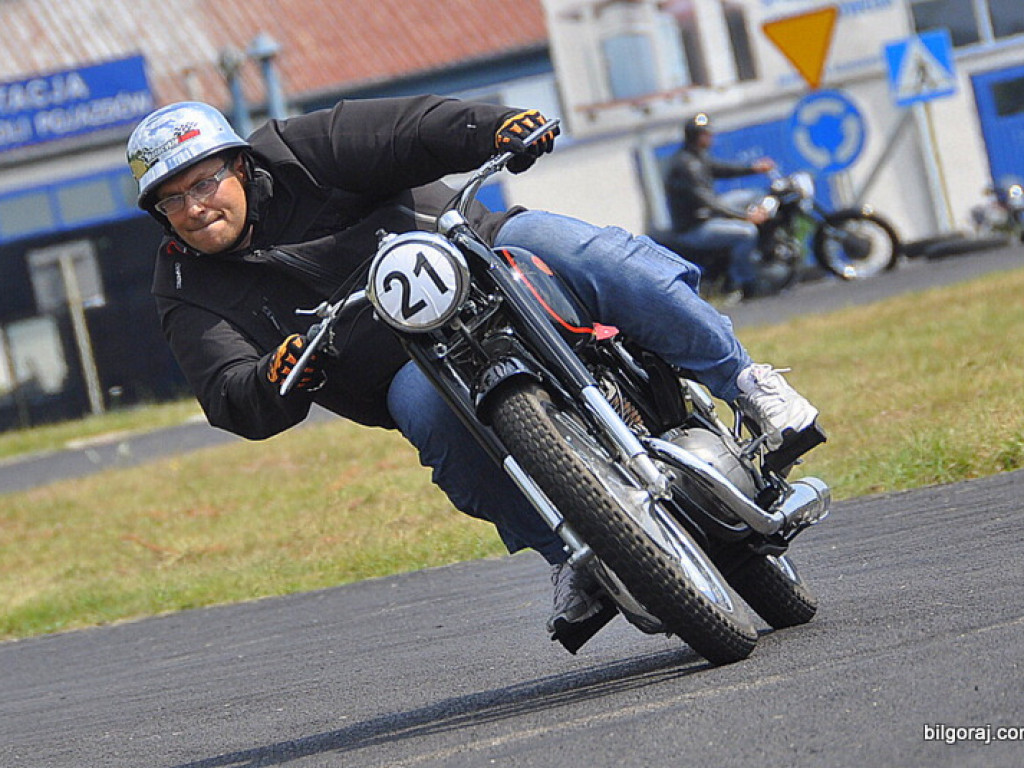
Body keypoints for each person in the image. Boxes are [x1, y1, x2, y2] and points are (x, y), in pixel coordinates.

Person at [126, 96, 822, 644]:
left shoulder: (300, 148)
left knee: (581, 249)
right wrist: (275, 377)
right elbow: (226, 389)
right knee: (428, 418)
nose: (194, 207)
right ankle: (574, 556)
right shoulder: (184, 284)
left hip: (479, 255)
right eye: (172, 199)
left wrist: (494, 129)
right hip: (406, 365)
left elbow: (408, 131)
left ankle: (748, 384)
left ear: (239, 164)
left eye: (204, 182)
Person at [665, 112, 777, 301]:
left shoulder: (696, 157)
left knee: (752, 195)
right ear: (696, 136)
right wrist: (746, 217)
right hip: (695, 227)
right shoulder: (687, 165)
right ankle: (744, 283)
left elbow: (722, 169)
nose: (711, 137)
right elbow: (708, 202)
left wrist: (754, 168)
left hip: (706, 215)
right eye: (706, 134)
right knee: (747, 233)